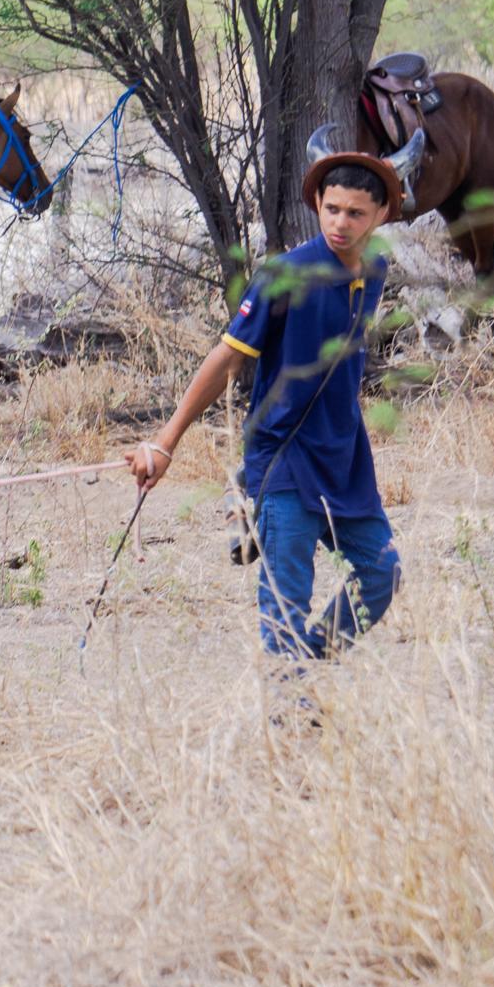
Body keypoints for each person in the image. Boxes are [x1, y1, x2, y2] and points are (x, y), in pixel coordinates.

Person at [128, 150, 404, 664]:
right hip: (285, 459)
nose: (340, 223)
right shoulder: (283, 275)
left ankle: (306, 662)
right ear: (317, 202)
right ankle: (289, 699)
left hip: (344, 460)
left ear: (382, 214)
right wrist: (165, 442)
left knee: (382, 571)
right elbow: (227, 358)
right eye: (332, 209)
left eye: (356, 213)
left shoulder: (376, 269)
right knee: (286, 603)